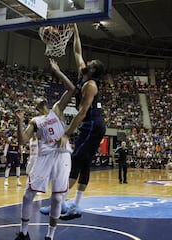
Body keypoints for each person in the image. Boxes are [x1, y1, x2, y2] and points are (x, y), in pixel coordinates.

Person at [40, 23, 106, 221]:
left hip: (94, 123)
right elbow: (77, 50)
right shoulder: (82, 73)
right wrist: (75, 29)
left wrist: (67, 133)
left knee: (76, 160)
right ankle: (75, 206)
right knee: (84, 163)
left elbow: (83, 111)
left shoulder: (91, 85)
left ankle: (59, 204)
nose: (87, 62)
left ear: (94, 71)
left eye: (91, 63)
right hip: (91, 124)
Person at [14, 58, 75, 240]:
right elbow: (22, 140)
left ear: (46, 102)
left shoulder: (57, 109)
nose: (39, 100)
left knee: (57, 198)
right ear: (37, 107)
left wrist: (57, 71)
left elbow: (71, 89)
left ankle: (50, 236)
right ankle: (24, 233)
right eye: (37, 101)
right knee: (27, 195)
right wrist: (19, 122)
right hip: (44, 157)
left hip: (62, 155)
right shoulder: (35, 121)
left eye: (41, 99)